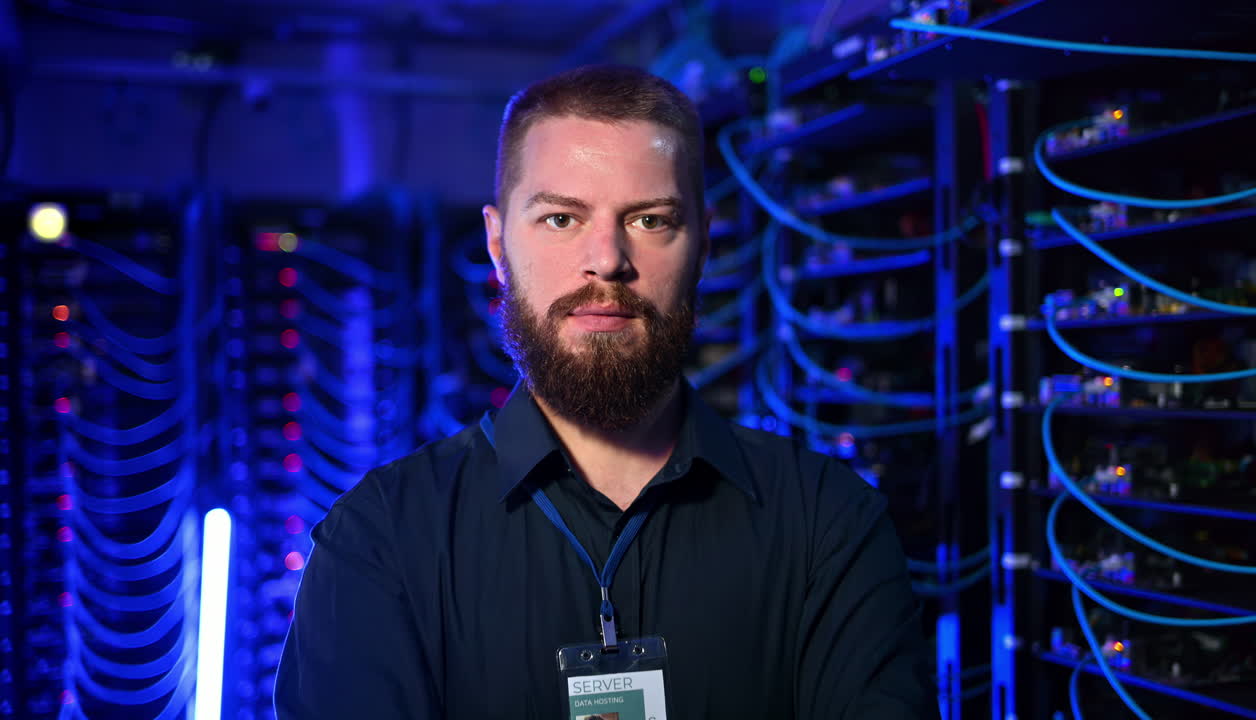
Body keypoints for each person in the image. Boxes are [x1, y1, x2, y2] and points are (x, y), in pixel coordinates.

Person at [275, 64, 936, 718]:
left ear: (702, 243)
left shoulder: (828, 526)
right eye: (561, 219)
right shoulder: (380, 543)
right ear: (498, 244)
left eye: (649, 220)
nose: (608, 259)